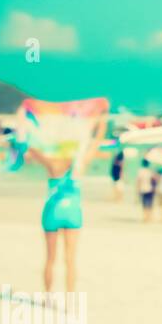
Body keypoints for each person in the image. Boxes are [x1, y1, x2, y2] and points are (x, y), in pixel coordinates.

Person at [20, 106, 107, 294]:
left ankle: (48, 297)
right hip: (73, 213)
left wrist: (27, 120)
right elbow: (97, 141)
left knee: (50, 258)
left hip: (52, 211)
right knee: (70, 259)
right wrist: (102, 118)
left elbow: (31, 147)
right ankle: (69, 301)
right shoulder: (79, 163)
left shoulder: (53, 163)